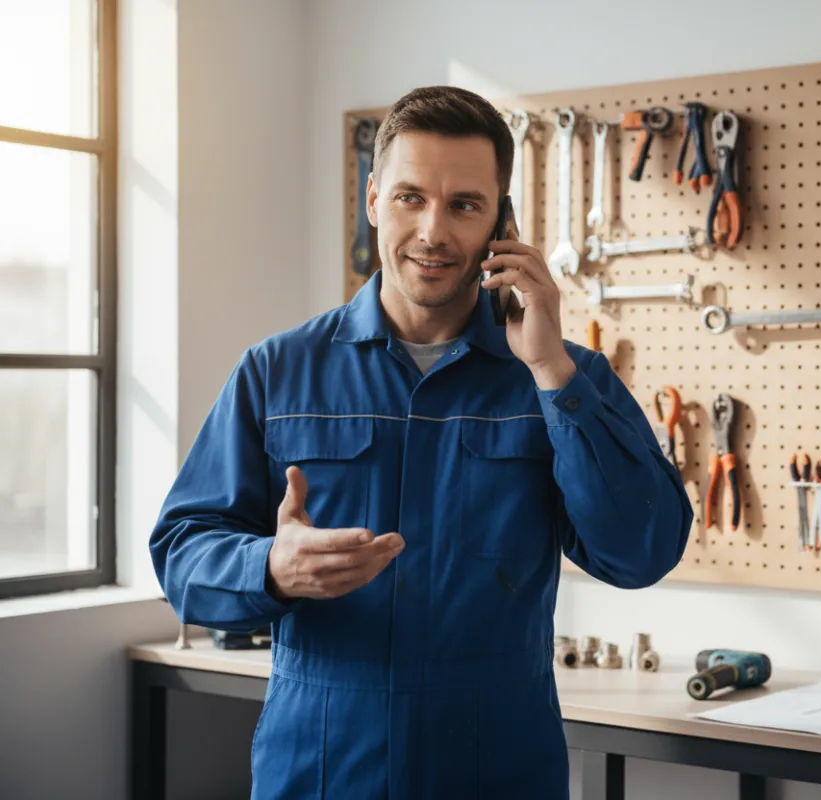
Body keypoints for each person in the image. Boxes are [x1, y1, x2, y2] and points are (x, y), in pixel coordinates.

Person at [149, 85, 693, 799]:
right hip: (321, 770)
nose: (433, 231)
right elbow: (181, 554)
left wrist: (552, 371)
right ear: (374, 200)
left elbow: (641, 550)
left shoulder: (564, 377)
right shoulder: (277, 372)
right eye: (411, 197)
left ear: (501, 219)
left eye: (464, 204)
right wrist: (269, 568)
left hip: (496, 769)